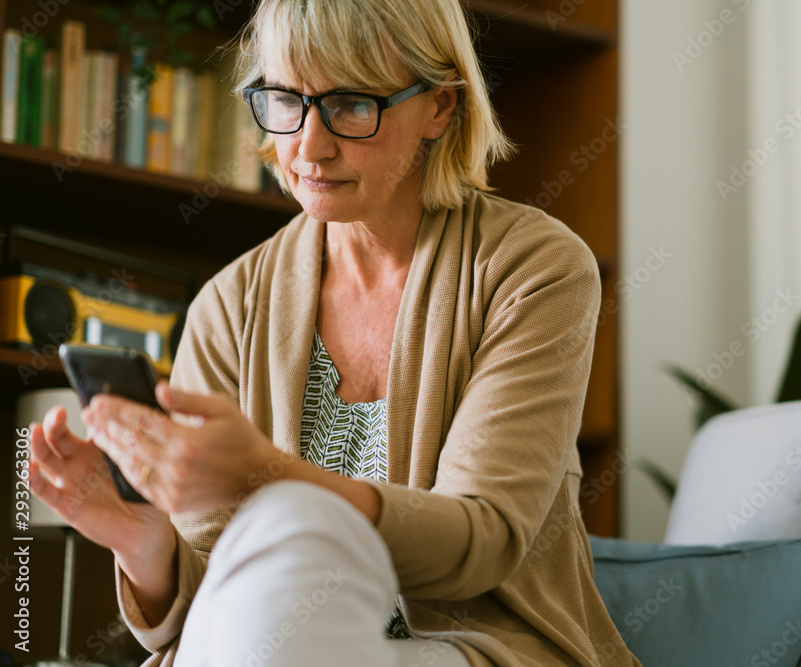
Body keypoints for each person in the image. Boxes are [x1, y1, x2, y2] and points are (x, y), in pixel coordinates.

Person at [28, 0, 640, 665]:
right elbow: (218, 603)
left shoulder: (536, 269)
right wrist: (144, 544)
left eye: (350, 105)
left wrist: (267, 478)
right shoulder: (227, 306)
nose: (308, 147)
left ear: (441, 106)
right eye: (284, 99)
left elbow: (482, 541)